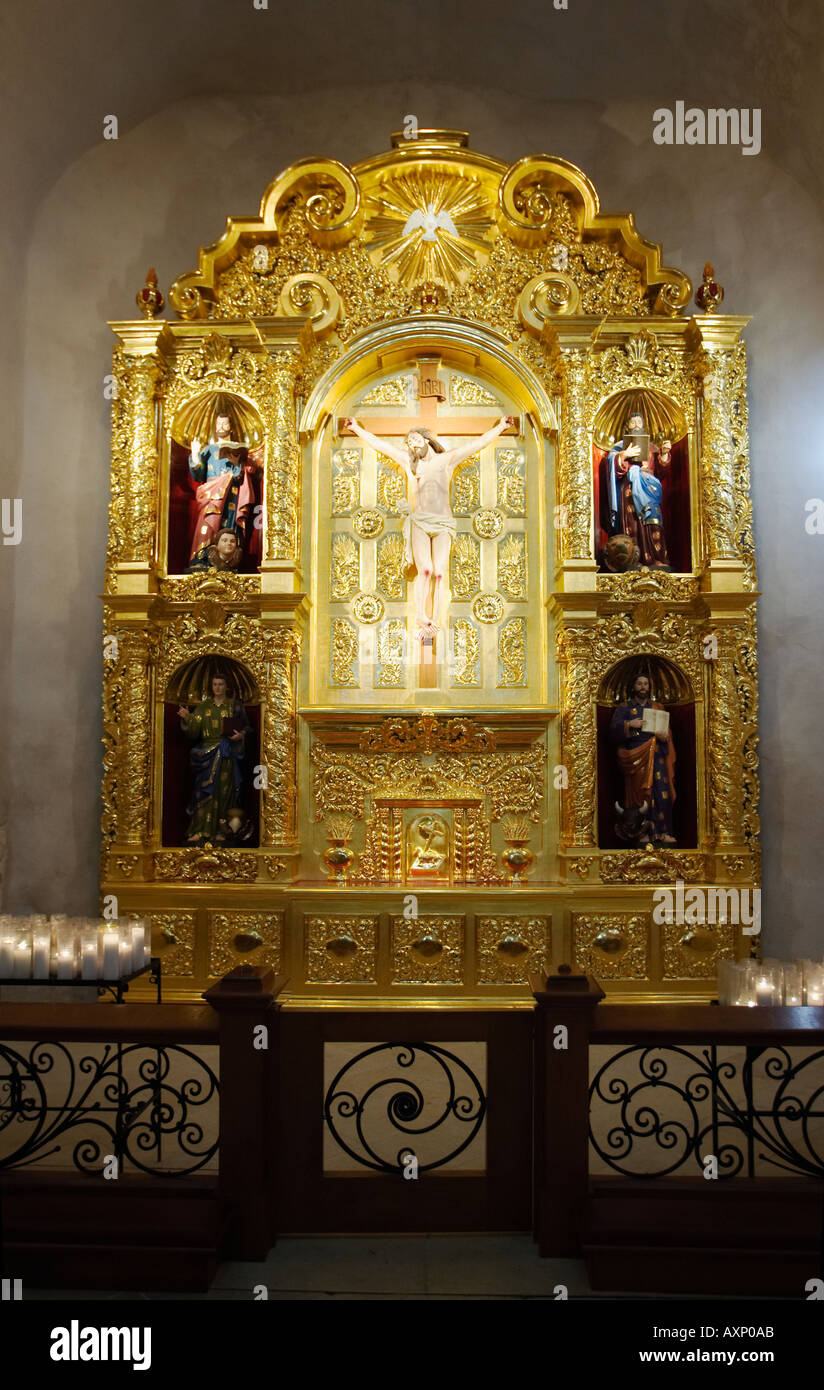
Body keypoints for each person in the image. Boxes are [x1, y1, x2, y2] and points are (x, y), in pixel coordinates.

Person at [343, 414, 515, 639]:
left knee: (441, 573)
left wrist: (501, 427)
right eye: (409, 442)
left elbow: (478, 443)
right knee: (425, 569)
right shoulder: (410, 463)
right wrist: (357, 429)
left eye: (414, 438)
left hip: (443, 523)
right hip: (420, 521)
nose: (411, 443)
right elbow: (380, 445)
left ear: (426, 439)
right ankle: (420, 616)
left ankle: (434, 622)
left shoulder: (447, 460)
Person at [177, 672, 251, 845]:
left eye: (220, 684)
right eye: (215, 684)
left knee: (224, 793)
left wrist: (241, 736)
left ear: (226, 687)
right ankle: (199, 830)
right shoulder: (204, 707)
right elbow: (194, 731)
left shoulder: (235, 706)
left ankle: (221, 830)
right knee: (202, 792)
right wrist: (188, 718)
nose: (217, 688)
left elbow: (247, 728)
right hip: (206, 755)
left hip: (226, 755)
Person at [609, 672, 676, 845]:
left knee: (662, 793)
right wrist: (629, 725)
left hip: (658, 756)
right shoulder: (624, 708)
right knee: (640, 795)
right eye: (639, 683)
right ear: (633, 686)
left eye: (646, 684)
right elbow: (613, 733)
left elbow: (667, 733)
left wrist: (664, 735)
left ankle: (662, 831)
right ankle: (640, 833)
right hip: (636, 758)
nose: (643, 687)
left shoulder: (658, 707)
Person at [602, 411, 672, 570]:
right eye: (632, 423)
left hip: (650, 489)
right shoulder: (620, 447)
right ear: (627, 428)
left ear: (644, 426)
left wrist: (665, 454)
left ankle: (656, 558)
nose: (635, 426)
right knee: (632, 524)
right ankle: (633, 560)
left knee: (652, 522)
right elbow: (611, 466)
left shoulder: (653, 448)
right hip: (629, 491)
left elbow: (662, 473)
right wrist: (623, 455)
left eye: (638, 423)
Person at [188, 413, 256, 565]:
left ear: (231, 427)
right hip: (211, 493)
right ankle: (202, 559)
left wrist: (237, 462)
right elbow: (198, 475)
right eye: (219, 424)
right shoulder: (208, 450)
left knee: (228, 526)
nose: (221, 427)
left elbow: (240, 478)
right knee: (208, 523)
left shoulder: (236, 449)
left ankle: (226, 560)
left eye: (225, 424)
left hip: (231, 495)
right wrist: (194, 455)